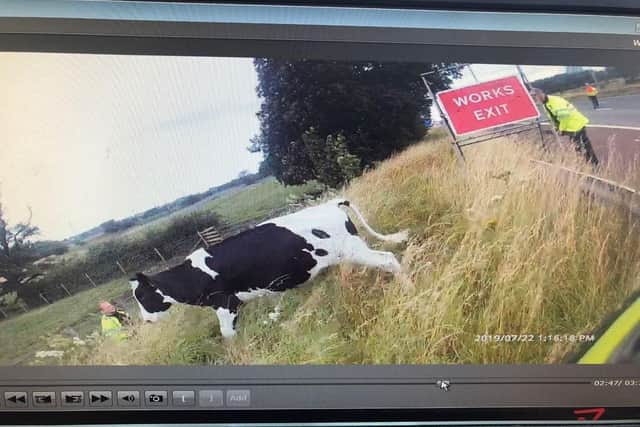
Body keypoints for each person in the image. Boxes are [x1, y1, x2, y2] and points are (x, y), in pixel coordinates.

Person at [530, 88, 599, 167]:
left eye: (535, 97)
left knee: (581, 147)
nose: (534, 99)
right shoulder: (546, 103)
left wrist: (561, 129)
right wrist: (557, 127)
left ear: (540, 94)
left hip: (575, 125)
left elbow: (564, 117)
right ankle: (591, 164)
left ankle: (593, 165)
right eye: (532, 97)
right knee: (580, 147)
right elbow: (554, 117)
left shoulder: (555, 101)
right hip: (571, 126)